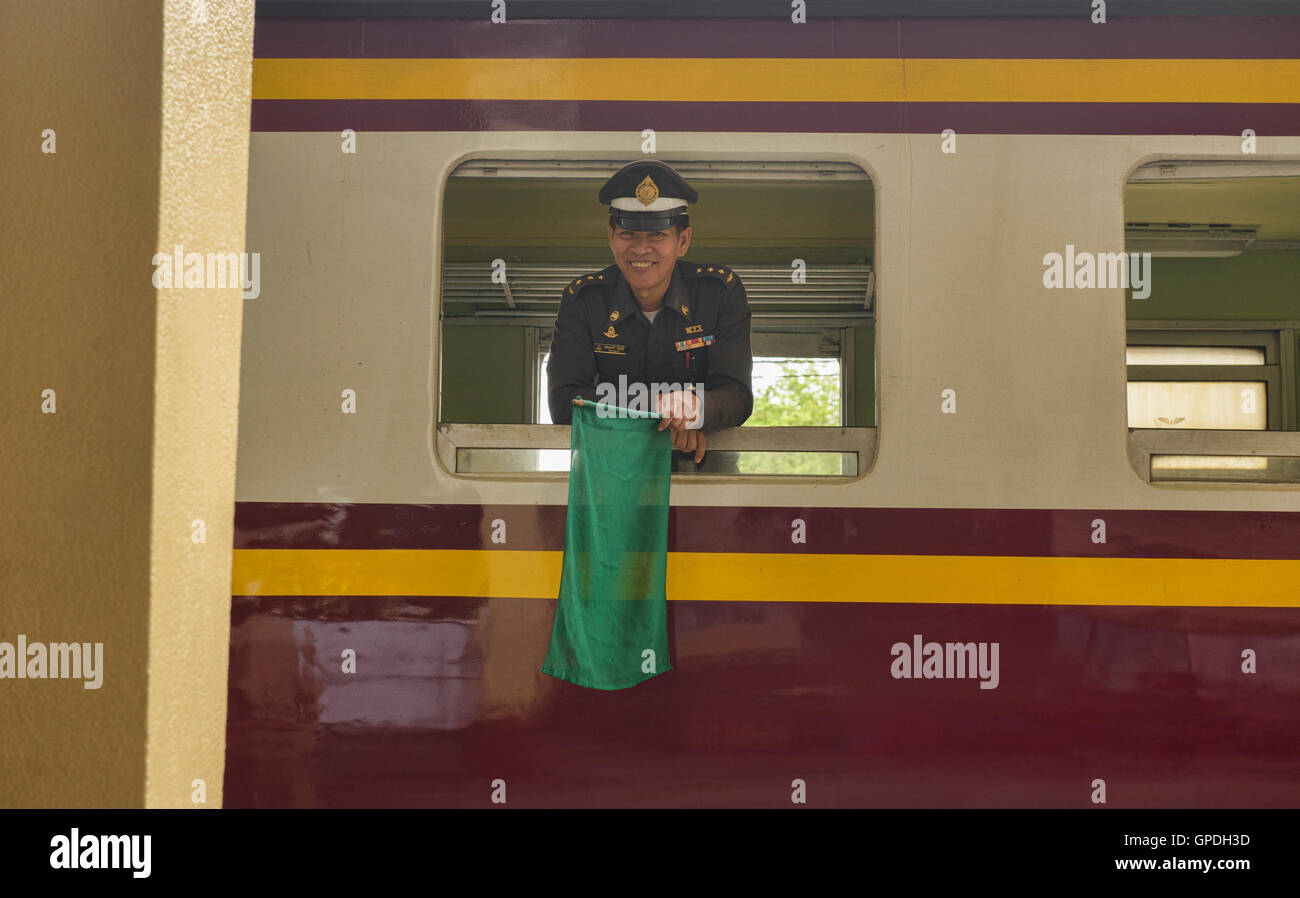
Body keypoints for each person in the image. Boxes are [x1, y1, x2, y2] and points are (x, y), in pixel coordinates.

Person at [546, 159, 753, 468]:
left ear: (682, 241)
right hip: (612, 468)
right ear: (611, 237)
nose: (641, 249)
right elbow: (565, 403)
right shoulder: (584, 300)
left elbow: (737, 395)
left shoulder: (719, 293)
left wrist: (694, 411)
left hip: (704, 467)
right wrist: (656, 415)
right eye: (628, 234)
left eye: (657, 235)